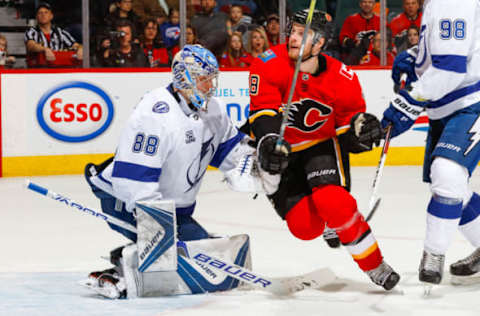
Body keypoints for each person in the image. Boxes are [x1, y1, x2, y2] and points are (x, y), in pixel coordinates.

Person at [83, 44, 272, 298]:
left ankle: (142, 255)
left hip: (171, 207)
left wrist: (265, 166)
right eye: (204, 80)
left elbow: (234, 158)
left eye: (212, 79)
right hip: (122, 197)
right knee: (166, 260)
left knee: (201, 255)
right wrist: (158, 230)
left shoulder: (213, 110)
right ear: (184, 77)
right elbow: (134, 180)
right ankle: (120, 267)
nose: (210, 86)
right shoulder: (154, 114)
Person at [247, 9, 400, 291]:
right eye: (292, 31)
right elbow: (263, 112)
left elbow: (348, 129)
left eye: (302, 34)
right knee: (305, 228)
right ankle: (286, 192)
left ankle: (375, 264)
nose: (293, 38)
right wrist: (269, 142)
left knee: (334, 203)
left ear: (319, 44)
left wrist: (361, 130)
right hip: (283, 151)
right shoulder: (267, 64)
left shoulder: (343, 78)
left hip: (320, 146)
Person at [381, 0, 480, 286]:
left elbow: (450, 69)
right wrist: (417, 57)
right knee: (451, 188)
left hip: (470, 102)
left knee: (447, 174)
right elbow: (457, 46)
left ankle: (433, 255)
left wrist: (409, 102)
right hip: (447, 106)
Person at [24, 2, 83, 68]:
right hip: (38, 70)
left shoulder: (60, 32)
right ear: (37, 17)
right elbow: (30, 45)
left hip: (59, 69)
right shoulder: (32, 31)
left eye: (46, 12)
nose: (43, 15)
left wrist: (80, 49)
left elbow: (76, 45)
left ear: (51, 16)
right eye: (40, 13)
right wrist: (45, 49)